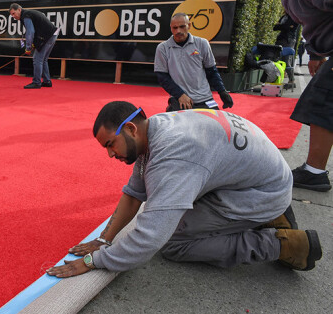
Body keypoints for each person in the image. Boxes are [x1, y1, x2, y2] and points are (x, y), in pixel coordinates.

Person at [46, 101, 322, 280]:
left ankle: (281, 243)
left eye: (110, 144)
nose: (109, 154)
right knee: (173, 209)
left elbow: (149, 240)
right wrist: (105, 238)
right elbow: (134, 192)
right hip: (261, 178)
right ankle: (269, 212)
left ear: (130, 128)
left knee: (173, 242)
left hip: (261, 193)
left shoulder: (174, 155)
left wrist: (96, 260)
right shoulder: (156, 128)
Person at [257, 0, 333, 191]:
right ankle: (315, 171)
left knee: (320, 102)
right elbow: (315, 24)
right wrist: (315, 54)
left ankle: (314, 172)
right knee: (321, 102)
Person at [155, 13, 233, 112]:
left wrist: (222, 92)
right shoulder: (163, 48)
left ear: (189, 25)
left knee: (215, 123)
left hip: (205, 98)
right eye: (175, 28)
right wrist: (180, 95)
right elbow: (162, 77)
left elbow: (212, 71)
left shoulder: (202, 43)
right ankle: (171, 106)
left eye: (182, 26)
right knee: (178, 126)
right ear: (171, 28)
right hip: (180, 98)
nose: (178, 31)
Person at [9, 3, 59, 89]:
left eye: (14, 13)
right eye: (11, 15)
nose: (13, 16)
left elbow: (30, 32)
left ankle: (36, 82)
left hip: (48, 35)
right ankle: (47, 81)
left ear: (19, 10)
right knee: (43, 60)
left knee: (37, 59)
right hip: (53, 34)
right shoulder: (28, 14)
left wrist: (28, 48)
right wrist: (32, 43)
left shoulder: (26, 15)